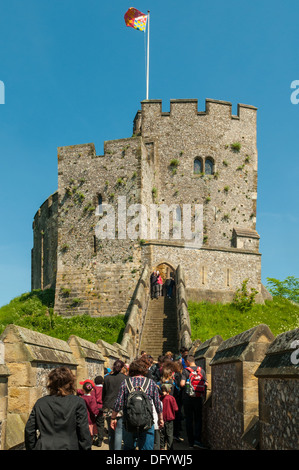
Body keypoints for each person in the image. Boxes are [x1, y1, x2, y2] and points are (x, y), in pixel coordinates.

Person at [24, 366, 92, 450]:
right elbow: (84, 432)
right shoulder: (77, 402)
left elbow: (29, 430)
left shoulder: (40, 403)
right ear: (70, 383)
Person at [111, 357, 164, 450]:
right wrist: (160, 419)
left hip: (129, 421)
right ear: (144, 370)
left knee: (128, 447)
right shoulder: (151, 383)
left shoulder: (125, 382)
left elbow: (118, 402)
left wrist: (113, 418)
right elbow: (157, 403)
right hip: (147, 421)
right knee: (147, 448)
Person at [180, 355, 207, 449]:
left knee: (189, 419)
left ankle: (191, 442)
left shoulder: (186, 370)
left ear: (187, 361)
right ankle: (197, 440)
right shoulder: (201, 370)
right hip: (198, 397)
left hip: (188, 398)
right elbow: (205, 383)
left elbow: (182, 384)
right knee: (198, 419)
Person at [102, 359, 126, 450]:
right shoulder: (125, 378)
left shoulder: (107, 378)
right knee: (119, 431)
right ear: (122, 367)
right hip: (120, 407)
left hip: (108, 406)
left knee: (111, 432)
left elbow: (104, 394)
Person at [160, 385, 178, 450]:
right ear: (169, 390)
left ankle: (161, 447)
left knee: (162, 434)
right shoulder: (171, 398)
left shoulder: (160, 398)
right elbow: (176, 408)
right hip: (170, 419)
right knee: (169, 434)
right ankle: (170, 448)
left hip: (161, 419)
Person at [93, 375, 104, 447]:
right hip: (102, 408)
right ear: (103, 382)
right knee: (100, 424)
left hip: (94, 408)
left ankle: (93, 437)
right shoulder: (104, 388)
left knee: (93, 423)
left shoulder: (93, 388)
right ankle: (100, 440)